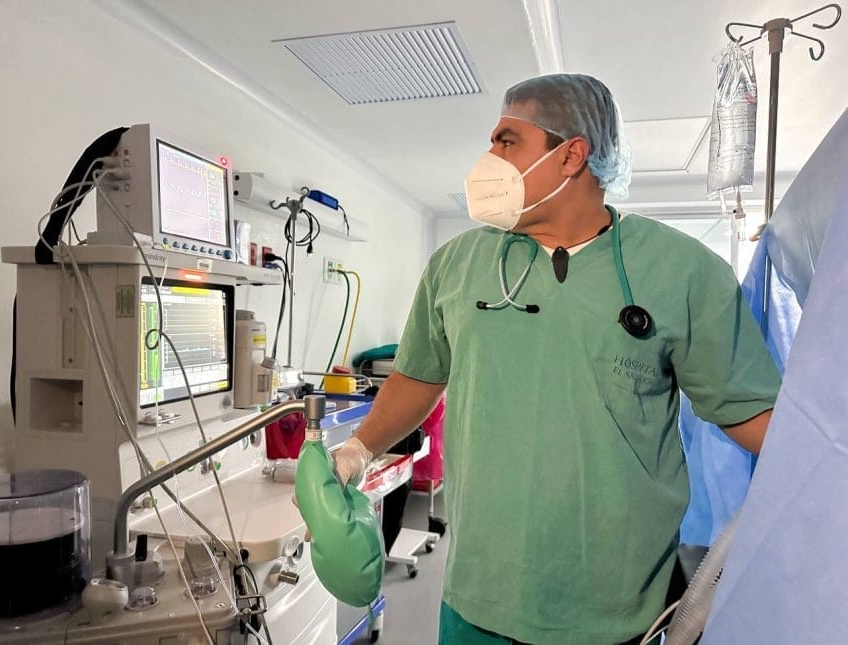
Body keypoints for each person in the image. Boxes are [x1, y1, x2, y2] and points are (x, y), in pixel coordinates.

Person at [323, 74, 781, 644]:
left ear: (571, 155)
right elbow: (417, 376)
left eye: (507, 141)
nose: (489, 158)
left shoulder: (684, 272)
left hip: (613, 605)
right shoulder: (455, 266)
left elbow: (749, 409)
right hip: (479, 594)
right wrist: (359, 448)